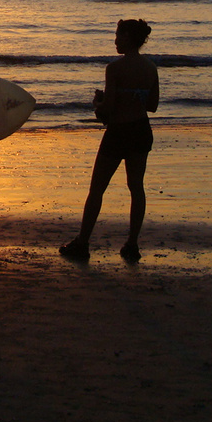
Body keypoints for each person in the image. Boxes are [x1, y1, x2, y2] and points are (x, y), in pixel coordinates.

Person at [60, 19, 159, 263]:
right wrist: (128, 98)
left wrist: (98, 103)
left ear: (128, 37)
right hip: (140, 129)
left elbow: (107, 110)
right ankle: (132, 244)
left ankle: (83, 243)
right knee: (136, 187)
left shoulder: (114, 69)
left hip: (118, 133)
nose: (115, 40)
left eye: (118, 35)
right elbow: (152, 105)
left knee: (97, 189)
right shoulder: (150, 68)